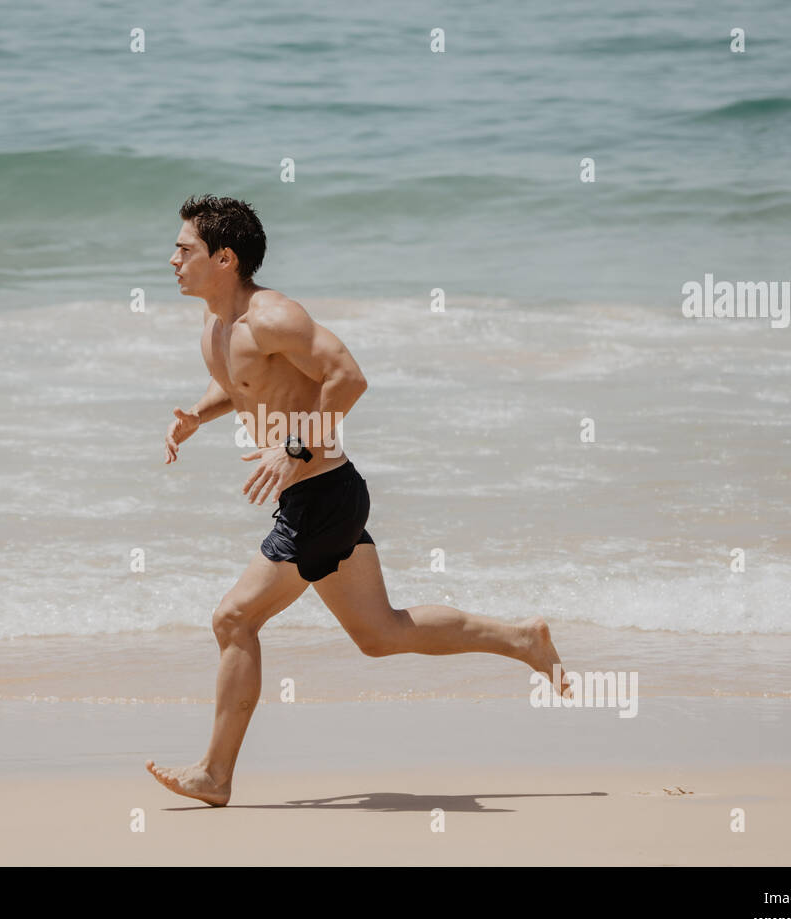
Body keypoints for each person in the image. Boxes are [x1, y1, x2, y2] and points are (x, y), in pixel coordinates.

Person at [147, 194, 568, 806]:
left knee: (234, 619)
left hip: (318, 494)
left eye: (184, 250)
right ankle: (522, 639)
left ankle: (215, 775)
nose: (172, 260)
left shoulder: (273, 316)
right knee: (380, 634)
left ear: (225, 258)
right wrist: (197, 418)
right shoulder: (218, 325)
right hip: (327, 496)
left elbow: (349, 376)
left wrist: (292, 447)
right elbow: (243, 382)